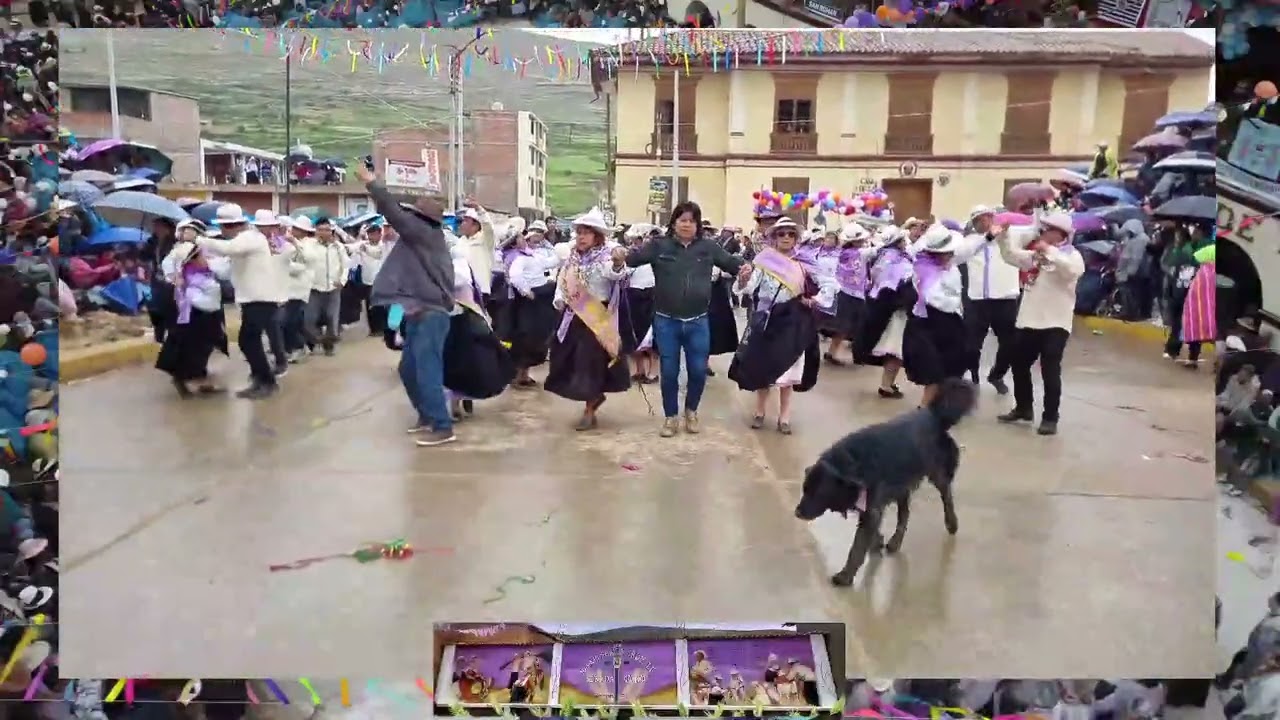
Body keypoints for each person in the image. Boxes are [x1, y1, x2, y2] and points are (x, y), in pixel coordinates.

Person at [614, 201, 750, 437]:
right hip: (666, 321)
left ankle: (691, 411)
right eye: (682, 220)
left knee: (698, 371)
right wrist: (618, 257)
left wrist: (745, 269)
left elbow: (733, 263)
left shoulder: (709, 248)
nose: (687, 224)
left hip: (698, 320)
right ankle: (670, 417)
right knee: (669, 371)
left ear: (697, 225)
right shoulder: (659, 246)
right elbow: (630, 259)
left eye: (692, 220)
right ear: (674, 223)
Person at [356, 163, 458, 447]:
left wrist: (373, 184)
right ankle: (428, 416)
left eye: (411, 215)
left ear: (420, 219)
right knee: (408, 370)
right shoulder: (421, 240)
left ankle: (442, 426)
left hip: (430, 315)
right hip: (418, 314)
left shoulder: (424, 235)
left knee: (427, 371)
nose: (406, 220)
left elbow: (393, 213)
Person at [730, 217, 833, 433]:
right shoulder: (764, 260)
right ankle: (760, 412)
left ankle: (784, 417)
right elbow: (748, 289)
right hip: (767, 319)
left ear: (796, 238)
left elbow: (830, 284)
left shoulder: (805, 262)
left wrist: (815, 300)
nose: (786, 237)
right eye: (781, 234)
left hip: (793, 321)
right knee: (763, 367)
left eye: (791, 234)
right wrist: (742, 280)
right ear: (774, 237)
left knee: (788, 372)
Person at [994, 212, 1085, 435]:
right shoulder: (1036, 255)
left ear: (1060, 234)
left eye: (1048, 229)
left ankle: (1050, 418)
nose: (1043, 233)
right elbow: (1011, 257)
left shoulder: (1071, 255)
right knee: (1019, 364)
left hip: (1056, 322)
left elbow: (1072, 271)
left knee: (1050, 369)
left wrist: (1049, 250)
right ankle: (1024, 408)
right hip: (1029, 320)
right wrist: (1003, 237)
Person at [547, 208, 632, 430]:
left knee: (590, 364)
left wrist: (617, 264)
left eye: (586, 233)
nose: (581, 237)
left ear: (597, 236)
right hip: (573, 317)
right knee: (569, 361)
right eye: (579, 233)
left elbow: (616, 274)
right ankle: (592, 400)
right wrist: (559, 301)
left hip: (597, 318)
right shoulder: (572, 259)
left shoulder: (605, 257)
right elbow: (563, 282)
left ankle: (589, 409)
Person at [196, 203, 286, 400]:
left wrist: (199, 239)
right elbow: (226, 269)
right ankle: (261, 379)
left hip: (261, 299)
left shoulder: (250, 238)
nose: (221, 231)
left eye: (223, 227)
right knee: (248, 341)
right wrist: (206, 264)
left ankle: (267, 381)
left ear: (232, 225)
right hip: (252, 299)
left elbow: (229, 249)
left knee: (248, 340)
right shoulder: (245, 241)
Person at [154, 222, 229, 397]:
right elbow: (172, 270)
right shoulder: (185, 249)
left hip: (200, 302)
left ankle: (195, 378)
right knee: (196, 342)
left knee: (201, 341)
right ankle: (185, 378)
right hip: (194, 304)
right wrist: (178, 279)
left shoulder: (193, 248)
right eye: (186, 231)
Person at [952, 205, 1019, 394]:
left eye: (986, 218)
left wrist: (1038, 210)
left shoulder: (1010, 237)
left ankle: (997, 374)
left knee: (1010, 343)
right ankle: (972, 375)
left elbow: (1035, 231)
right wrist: (986, 238)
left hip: (1005, 298)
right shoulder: (971, 241)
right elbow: (958, 256)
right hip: (977, 300)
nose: (983, 223)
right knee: (971, 345)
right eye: (978, 220)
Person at [901, 225, 968, 407]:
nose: (949, 254)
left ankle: (939, 404)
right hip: (928, 324)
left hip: (950, 324)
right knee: (933, 371)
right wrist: (954, 302)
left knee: (951, 367)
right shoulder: (924, 271)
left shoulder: (950, 267)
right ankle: (924, 409)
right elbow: (934, 299)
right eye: (945, 252)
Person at [853, 226, 913, 398]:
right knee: (895, 350)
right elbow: (894, 286)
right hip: (895, 311)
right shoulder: (894, 259)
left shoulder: (883, 256)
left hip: (885, 307)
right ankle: (886, 385)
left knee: (895, 350)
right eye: (902, 240)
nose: (905, 242)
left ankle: (889, 383)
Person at [503, 223, 561, 388]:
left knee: (534, 335)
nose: (526, 239)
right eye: (522, 237)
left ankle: (524, 375)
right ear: (515, 242)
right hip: (528, 301)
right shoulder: (519, 258)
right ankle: (517, 374)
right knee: (525, 335)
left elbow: (551, 262)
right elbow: (515, 276)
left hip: (537, 299)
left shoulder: (531, 256)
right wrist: (526, 291)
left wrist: (565, 252)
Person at [823, 222, 873, 364]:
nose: (863, 241)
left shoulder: (843, 253)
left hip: (845, 292)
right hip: (853, 294)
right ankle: (855, 354)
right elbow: (876, 251)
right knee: (850, 327)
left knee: (843, 327)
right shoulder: (860, 253)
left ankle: (833, 352)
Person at [301, 217, 350, 357]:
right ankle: (318, 340)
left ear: (331, 231)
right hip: (314, 288)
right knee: (309, 320)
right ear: (315, 231)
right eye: (320, 229)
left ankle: (329, 345)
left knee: (332, 318)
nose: (324, 232)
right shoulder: (308, 245)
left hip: (333, 288)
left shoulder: (338, 247)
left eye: (327, 230)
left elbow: (345, 265)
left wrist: (342, 280)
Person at [280, 216, 316, 362]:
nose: (292, 231)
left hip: (300, 288)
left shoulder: (310, 243)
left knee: (289, 321)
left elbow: (309, 260)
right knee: (294, 321)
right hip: (288, 288)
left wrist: (294, 243)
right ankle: (303, 345)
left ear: (303, 231)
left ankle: (298, 347)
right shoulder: (290, 244)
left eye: (295, 229)